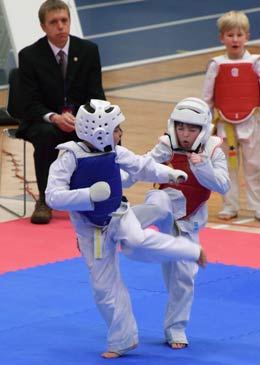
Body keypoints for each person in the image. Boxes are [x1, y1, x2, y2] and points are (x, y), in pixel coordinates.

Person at [45, 99, 207, 359]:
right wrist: (88, 195)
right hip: (90, 230)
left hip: (119, 214)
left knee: (136, 243)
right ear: (99, 130)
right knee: (103, 288)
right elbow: (52, 197)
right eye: (117, 129)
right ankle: (123, 339)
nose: (120, 134)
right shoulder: (68, 157)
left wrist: (168, 175)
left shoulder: (115, 152)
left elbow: (142, 166)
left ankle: (188, 250)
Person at [128, 97, 230, 348]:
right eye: (181, 127)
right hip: (163, 209)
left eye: (192, 129)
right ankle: (118, 223)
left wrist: (202, 165)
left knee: (183, 279)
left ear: (203, 129)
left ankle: (175, 330)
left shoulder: (213, 149)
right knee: (161, 201)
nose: (184, 134)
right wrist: (118, 177)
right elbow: (142, 167)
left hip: (188, 221)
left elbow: (223, 185)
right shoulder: (166, 144)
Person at [17, 0, 105, 224]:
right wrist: (54, 117)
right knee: (46, 135)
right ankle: (45, 200)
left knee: (108, 134)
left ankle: (100, 194)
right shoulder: (29, 56)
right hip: (44, 120)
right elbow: (29, 103)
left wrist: (83, 119)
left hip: (79, 119)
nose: (61, 27)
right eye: (54, 22)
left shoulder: (88, 51)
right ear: (43, 26)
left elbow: (96, 96)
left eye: (64, 21)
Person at [202, 10, 260, 221]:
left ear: (247, 36)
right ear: (222, 38)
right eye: (230, 35)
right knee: (226, 166)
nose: (235, 39)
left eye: (239, 35)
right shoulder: (216, 65)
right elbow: (207, 97)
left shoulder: (258, 64)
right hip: (224, 124)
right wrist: (203, 125)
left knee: (255, 165)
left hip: (251, 121)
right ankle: (230, 205)